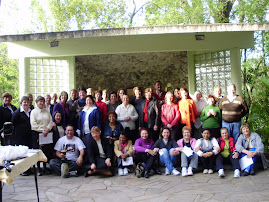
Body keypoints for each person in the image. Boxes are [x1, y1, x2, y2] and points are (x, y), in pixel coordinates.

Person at [30, 96, 53, 175]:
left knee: (46, 150)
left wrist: (47, 129)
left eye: (42, 101)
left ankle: (45, 167)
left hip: (46, 133)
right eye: (40, 101)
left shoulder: (46, 111)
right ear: (36, 103)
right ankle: (39, 168)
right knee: (38, 151)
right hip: (37, 133)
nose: (41, 103)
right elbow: (33, 124)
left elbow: (50, 121)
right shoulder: (33, 112)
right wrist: (42, 130)